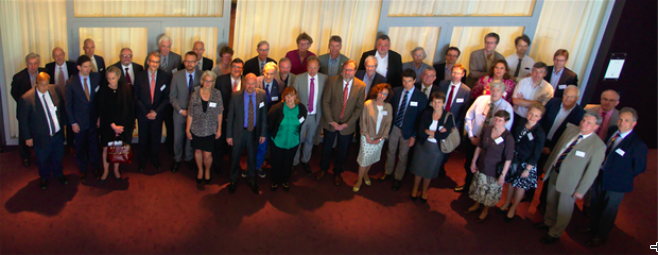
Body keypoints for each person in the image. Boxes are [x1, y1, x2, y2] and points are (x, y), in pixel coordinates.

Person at [578, 107, 648, 247]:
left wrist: (621, 175)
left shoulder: (638, 144)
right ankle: (592, 227)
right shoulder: (612, 131)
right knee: (595, 204)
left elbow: (639, 168)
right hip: (601, 175)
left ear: (634, 123)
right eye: (620, 119)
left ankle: (601, 235)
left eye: (626, 120)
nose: (622, 123)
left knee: (608, 209)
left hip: (617, 182)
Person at [534, 113, 606, 245]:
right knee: (550, 201)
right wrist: (548, 166)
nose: (584, 123)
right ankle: (548, 222)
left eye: (589, 123)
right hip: (555, 172)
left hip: (571, 182)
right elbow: (557, 150)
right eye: (583, 120)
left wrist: (581, 191)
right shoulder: (571, 130)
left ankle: (555, 233)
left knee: (564, 209)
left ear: (596, 127)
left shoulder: (598, 146)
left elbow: (592, 172)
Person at [531, 85, 585, 210]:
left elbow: (572, 137)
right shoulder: (553, 102)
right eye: (566, 95)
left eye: (571, 97)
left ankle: (543, 204)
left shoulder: (580, 114)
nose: (567, 98)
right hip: (541, 140)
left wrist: (553, 148)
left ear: (577, 98)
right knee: (534, 170)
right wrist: (540, 142)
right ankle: (528, 195)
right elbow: (541, 120)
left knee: (550, 175)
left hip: (559, 147)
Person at [458, 81, 514, 193]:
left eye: (498, 90)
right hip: (474, 139)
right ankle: (467, 185)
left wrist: (487, 143)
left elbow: (505, 130)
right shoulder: (480, 100)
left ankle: (477, 191)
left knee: (483, 168)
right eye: (492, 89)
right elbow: (469, 117)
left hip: (490, 146)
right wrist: (471, 136)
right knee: (469, 163)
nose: (494, 92)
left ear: (503, 92)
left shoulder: (507, 108)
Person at [317, 60, 366, 186]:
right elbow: (325, 102)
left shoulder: (361, 86)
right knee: (327, 148)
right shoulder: (332, 81)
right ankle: (323, 169)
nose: (347, 72)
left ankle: (337, 172)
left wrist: (347, 123)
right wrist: (331, 121)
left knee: (342, 150)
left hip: (347, 125)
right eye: (345, 69)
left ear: (355, 71)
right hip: (331, 122)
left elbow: (359, 108)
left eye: (350, 70)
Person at [380, 68, 428, 191]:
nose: (406, 84)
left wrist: (414, 136)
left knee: (403, 155)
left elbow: (420, 119)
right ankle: (388, 172)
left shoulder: (421, 96)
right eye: (404, 81)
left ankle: (398, 177)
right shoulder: (396, 91)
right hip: (395, 127)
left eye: (409, 81)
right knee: (390, 151)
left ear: (415, 81)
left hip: (409, 131)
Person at [18, 72, 68, 189]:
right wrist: (27, 137)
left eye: (47, 84)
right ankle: (44, 177)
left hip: (57, 133)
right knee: (42, 158)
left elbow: (61, 108)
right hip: (41, 136)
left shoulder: (54, 89)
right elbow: (23, 120)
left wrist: (64, 125)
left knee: (58, 155)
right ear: (36, 84)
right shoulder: (26, 99)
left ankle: (58, 174)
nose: (45, 88)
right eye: (42, 85)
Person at [464, 110, 515, 223]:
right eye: (496, 119)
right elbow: (479, 146)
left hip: (495, 170)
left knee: (489, 192)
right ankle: (477, 204)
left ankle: (485, 210)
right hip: (482, 165)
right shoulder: (488, 129)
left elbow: (508, 159)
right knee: (479, 187)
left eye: (500, 120)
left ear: (505, 122)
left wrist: (503, 175)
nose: (497, 122)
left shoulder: (508, 138)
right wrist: (474, 161)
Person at [498, 104, 546, 221]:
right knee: (510, 183)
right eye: (531, 113)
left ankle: (514, 207)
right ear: (527, 113)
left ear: (539, 118)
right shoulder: (520, 123)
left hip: (526, 163)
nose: (532, 117)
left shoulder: (539, 133)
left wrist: (528, 169)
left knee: (519, 187)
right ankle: (507, 203)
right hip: (515, 159)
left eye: (536, 115)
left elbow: (537, 153)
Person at [226, 73, 267, 194]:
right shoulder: (235, 96)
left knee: (252, 157)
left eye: (253, 83)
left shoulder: (262, 94)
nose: (250, 86)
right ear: (244, 83)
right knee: (235, 157)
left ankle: (252, 179)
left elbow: (263, 116)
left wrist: (263, 134)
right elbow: (230, 117)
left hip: (254, 132)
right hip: (239, 132)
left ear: (256, 83)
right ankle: (233, 180)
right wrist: (229, 135)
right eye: (248, 83)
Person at [409, 92, 454, 201]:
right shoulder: (426, 113)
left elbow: (444, 135)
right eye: (434, 102)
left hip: (437, 150)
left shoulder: (448, 116)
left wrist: (429, 132)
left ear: (443, 103)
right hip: (422, 146)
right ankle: (415, 189)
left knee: (429, 171)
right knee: (418, 169)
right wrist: (435, 133)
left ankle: (424, 191)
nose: (436, 104)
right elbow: (420, 131)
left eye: (439, 102)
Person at [65, 55, 102, 182]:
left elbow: (99, 100)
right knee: (80, 147)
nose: (88, 69)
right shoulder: (71, 83)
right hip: (79, 122)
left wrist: (99, 117)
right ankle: (83, 169)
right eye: (85, 67)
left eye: (89, 66)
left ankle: (96, 167)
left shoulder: (96, 77)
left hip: (93, 119)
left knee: (94, 145)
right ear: (79, 67)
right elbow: (68, 105)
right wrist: (73, 123)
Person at [134, 51, 171, 172]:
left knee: (156, 138)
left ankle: (155, 158)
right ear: (148, 62)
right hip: (143, 114)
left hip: (158, 114)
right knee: (143, 138)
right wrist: (146, 112)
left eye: (157, 62)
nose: (154, 64)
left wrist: (155, 112)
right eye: (152, 61)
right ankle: (142, 160)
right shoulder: (140, 76)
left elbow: (166, 98)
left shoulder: (165, 76)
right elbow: (136, 97)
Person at [353, 83, 393, 192]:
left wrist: (381, 139)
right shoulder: (368, 104)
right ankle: (359, 179)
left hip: (380, 138)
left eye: (385, 94)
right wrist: (367, 136)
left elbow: (388, 123)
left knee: (372, 158)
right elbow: (363, 121)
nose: (382, 96)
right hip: (367, 137)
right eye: (381, 93)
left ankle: (366, 174)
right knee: (364, 159)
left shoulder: (388, 107)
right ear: (377, 92)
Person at [98, 66, 135, 183]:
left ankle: (116, 169)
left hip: (122, 124)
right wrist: (112, 125)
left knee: (118, 148)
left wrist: (123, 126)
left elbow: (129, 107)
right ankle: (105, 170)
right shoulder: (103, 90)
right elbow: (102, 110)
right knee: (105, 149)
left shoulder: (126, 88)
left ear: (118, 77)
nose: (111, 81)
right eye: (108, 78)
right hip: (107, 125)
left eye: (113, 78)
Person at [267, 87, 307, 191]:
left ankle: (285, 181)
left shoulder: (301, 108)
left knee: (288, 163)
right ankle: (275, 181)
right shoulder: (277, 108)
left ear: (295, 96)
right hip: (278, 142)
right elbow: (270, 123)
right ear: (284, 97)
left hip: (293, 142)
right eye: (287, 95)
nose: (289, 98)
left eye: (291, 95)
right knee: (276, 163)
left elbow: (302, 121)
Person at [187, 71, 223, 185]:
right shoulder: (195, 94)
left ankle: (207, 169)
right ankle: (200, 169)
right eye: (206, 81)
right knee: (197, 151)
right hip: (196, 128)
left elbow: (220, 112)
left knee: (207, 155)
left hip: (210, 128)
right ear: (202, 81)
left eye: (210, 81)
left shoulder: (217, 94)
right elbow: (190, 113)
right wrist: (187, 129)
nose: (208, 83)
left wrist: (219, 129)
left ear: (213, 82)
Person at [11, 52, 47, 167]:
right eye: (30, 64)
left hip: (40, 110)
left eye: (35, 64)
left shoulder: (44, 73)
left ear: (38, 64)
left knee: (40, 132)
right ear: (26, 64)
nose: (33, 67)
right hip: (25, 111)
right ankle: (25, 156)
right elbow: (14, 93)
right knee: (24, 134)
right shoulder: (18, 77)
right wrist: (25, 105)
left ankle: (42, 154)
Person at [292, 56, 328, 174]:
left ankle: (305, 160)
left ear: (318, 68)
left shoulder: (324, 78)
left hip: (315, 116)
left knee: (310, 139)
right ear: (307, 67)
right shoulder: (298, 78)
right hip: (301, 115)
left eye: (315, 68)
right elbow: (293, 98)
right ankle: (295, 162)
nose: (312, 70)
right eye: (310, 67)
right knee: (297, 139)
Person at [147, 35, 181, 156]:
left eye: (168, 46)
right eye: (163, 46)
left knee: (170, 125)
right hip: (155, 98)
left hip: (171, 97)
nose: (166, 49)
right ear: (159, 46)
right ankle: (152, 150)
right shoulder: (152, 56)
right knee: (155, 127)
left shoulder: (177, 58)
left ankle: (170, 147)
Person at [170, 51, 203, 172]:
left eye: (192, 61)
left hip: (195, 115)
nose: (189, 64)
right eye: (187, 61)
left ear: (196, 62)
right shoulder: (176, 75)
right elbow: (172, 96)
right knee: (178, 138)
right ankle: (177, 159)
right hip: (179, 114)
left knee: (191, 138)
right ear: (184, 62)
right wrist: (180, 110)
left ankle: (189, 158)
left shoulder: (202, 75)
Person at [437, 64, 471, 177]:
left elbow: (464, 110)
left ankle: (441, 166)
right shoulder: (443, 84)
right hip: (439, 117)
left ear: (463, 74)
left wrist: (456, 126)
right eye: (454, 72)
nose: (456, 75)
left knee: (447, 145)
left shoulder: (466, 90)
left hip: (453, 122)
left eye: (458, 73)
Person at [46, 47, 79, 155]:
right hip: (55, 101)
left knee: (70, 122)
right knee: (57, 123)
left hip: (70, 99)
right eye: (56, 55)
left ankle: (70, 144)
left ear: (64, 54)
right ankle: (59, 145)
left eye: (60, 54)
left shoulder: (72, 65)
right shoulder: (49, 67)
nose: (59, 57)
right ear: (53, 57)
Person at [213, 58, 244, 173]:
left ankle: (233, 167)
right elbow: (215, 99)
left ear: (242, 69)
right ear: (230, 68)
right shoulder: (220, 80)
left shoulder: (246, 81)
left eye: (239, 67)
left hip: (238, 121)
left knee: (234, 146)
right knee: (219, 144)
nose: (237, 69)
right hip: (221, 118)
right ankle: (217, 166)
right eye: (234, 67)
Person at [254, 62, 283, 177]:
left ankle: (257, 166)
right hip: (255, 118)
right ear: (263, 72)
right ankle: (250, 166)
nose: (269, 76)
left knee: (264, 146)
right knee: (252, 145)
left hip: (270, 121)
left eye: (272, 74)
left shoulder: (280, 85)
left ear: (276, 74)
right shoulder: (255, 81)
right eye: (267, 73)